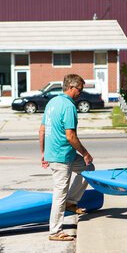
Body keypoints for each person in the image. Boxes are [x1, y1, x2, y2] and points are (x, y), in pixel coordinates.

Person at [39, 74, 95, 242]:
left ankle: (71, 201)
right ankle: (55, 231)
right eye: (80, 90)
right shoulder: (69, 106)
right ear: (71, 88)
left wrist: (43, 153)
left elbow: (41, 130)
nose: (81, 93)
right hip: (61, 157)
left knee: (88, 169)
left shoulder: (52, 103)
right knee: (59, 194)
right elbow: (70, 136)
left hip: (58, 153)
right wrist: (85, 153)